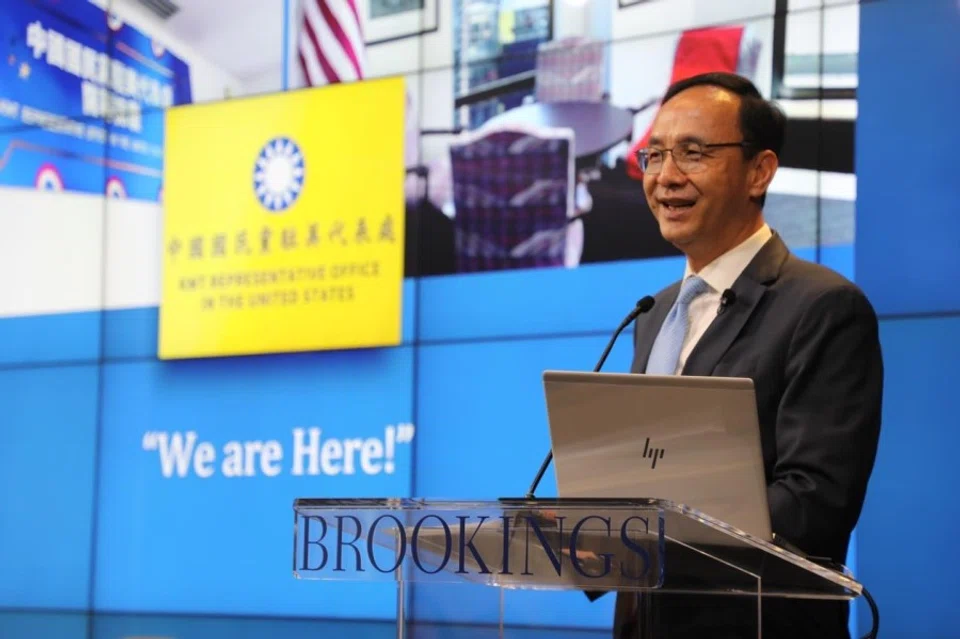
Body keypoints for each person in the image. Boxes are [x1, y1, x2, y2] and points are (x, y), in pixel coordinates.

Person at [619, 72, 883, 637]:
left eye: (693, 154)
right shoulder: (654, 313)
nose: (666, 177)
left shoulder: (824, 306)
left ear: (759, 171)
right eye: (655, 155)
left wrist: (652, 534)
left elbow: (816, 502)